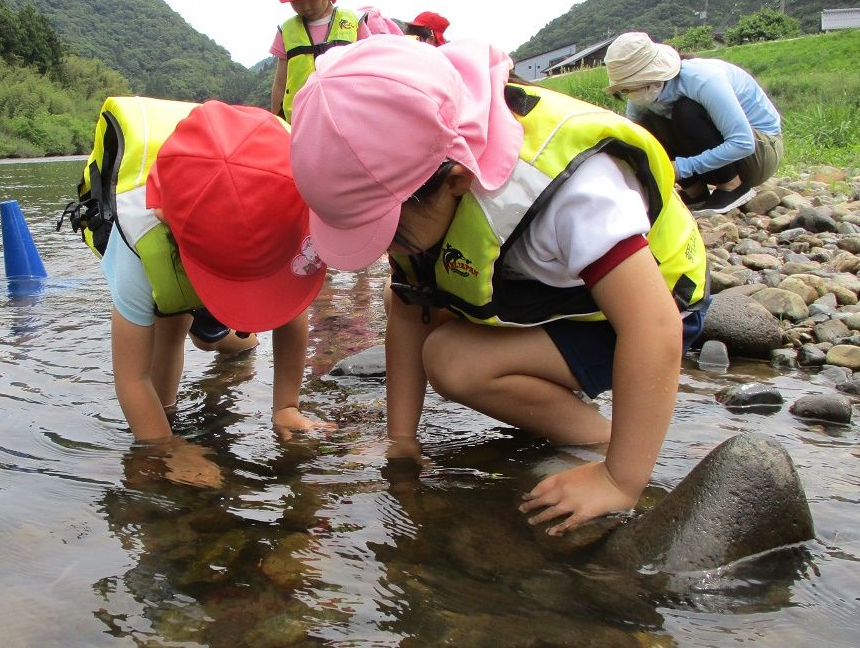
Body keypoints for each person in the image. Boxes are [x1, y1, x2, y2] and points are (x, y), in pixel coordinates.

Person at [288, 35, 710, 534]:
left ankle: (598, 439)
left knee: (451, 359)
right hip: (553, 296)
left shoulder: (573, 191)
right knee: (413, 300)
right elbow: (406, 304)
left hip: (647, 312)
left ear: (455, 181)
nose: (387, 250)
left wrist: (621, 479)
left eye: (390, 231)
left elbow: (652, 325)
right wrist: (401, 441)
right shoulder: (421, 173)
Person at [62, 97, 329, 483]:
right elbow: (131, 378)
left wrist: (285, 405)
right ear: (168, 222)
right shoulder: (137, 244)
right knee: (170, 327)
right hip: (168, 273)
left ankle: (240, 342)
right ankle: (170, 407)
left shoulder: (282, 203)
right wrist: (164, 445)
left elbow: (291, 312)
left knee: (215, 339)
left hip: (199, 261)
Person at [603, 31, 783, 216]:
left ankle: (731, 186)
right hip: (718, 157)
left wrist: (679, 168)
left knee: (686, 110)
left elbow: (743, 143)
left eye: (632, 86)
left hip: (759, 154)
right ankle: (695, 192)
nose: (630, 93)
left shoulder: (702, 79)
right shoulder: (643, 92)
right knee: (647, 125)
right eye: (625, 89)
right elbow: (632, 135)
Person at [269, 0, 401, 121]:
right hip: (300, 124)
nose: (304, 5)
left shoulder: (353, 22)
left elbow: (372, 68)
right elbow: (280, 83)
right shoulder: (286, 31)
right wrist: (275, 119)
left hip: (346, 121)